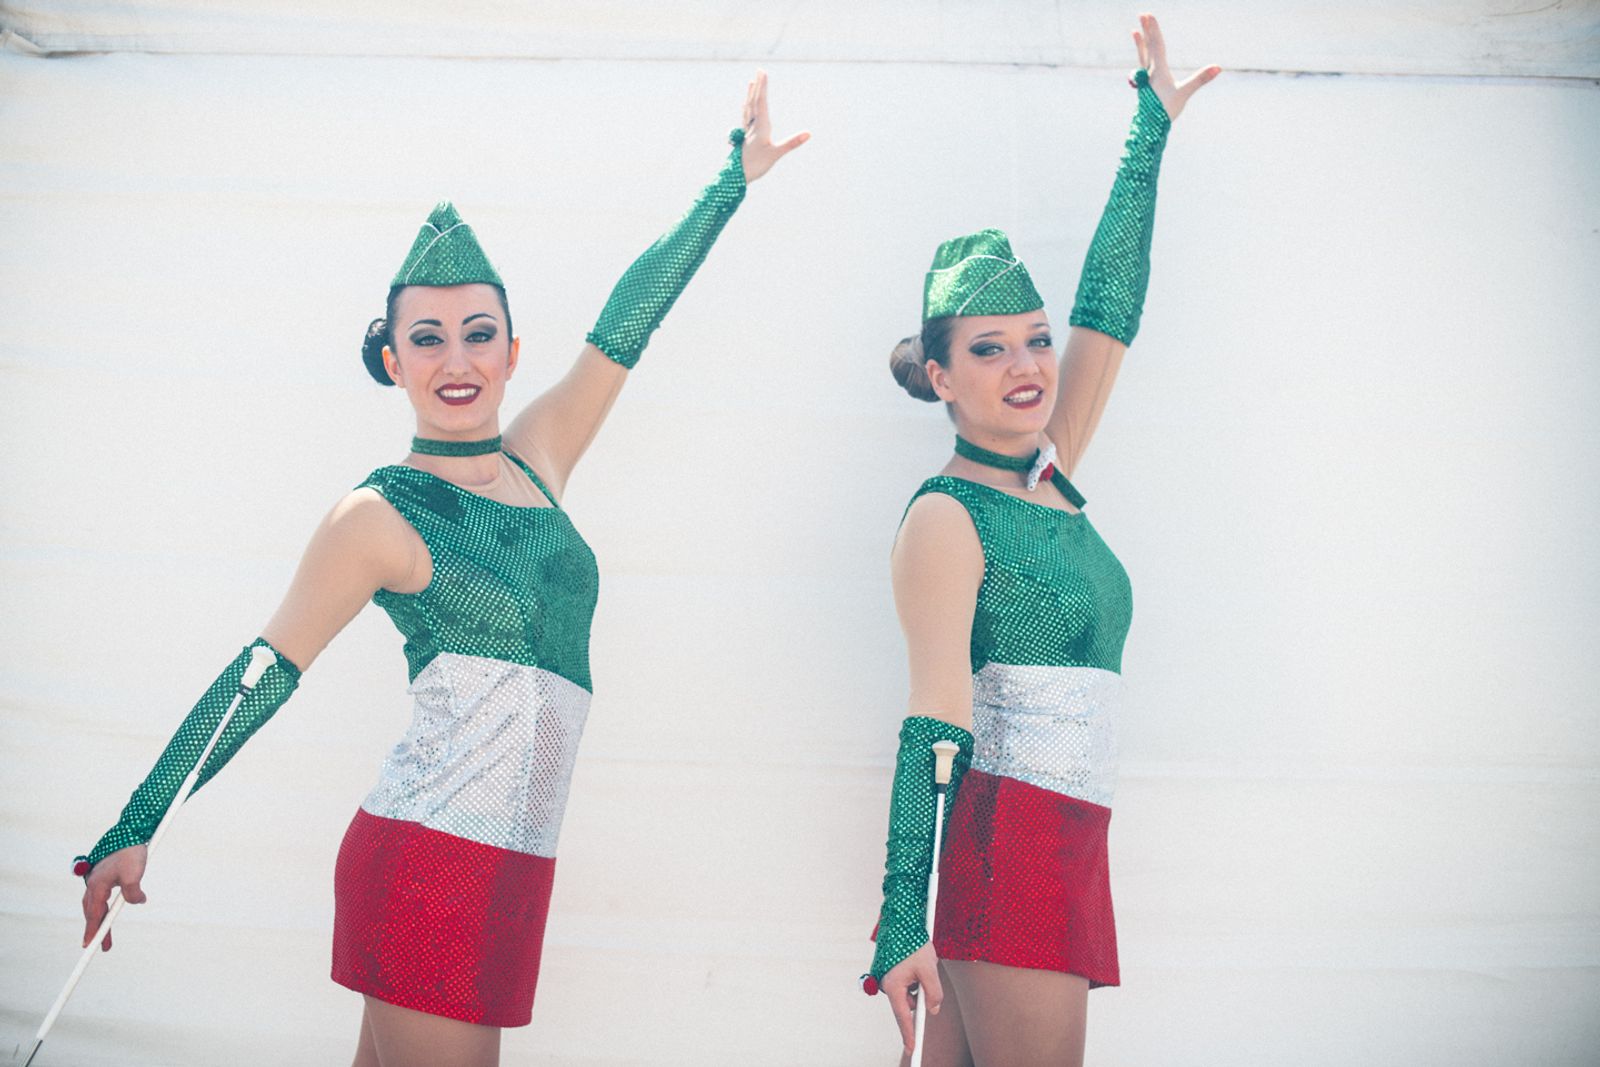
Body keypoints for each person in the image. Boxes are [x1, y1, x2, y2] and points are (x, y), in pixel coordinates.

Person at [72, 72, 807, 1067]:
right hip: (429, 863)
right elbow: (263, 671)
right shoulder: (377, 514)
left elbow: (626, 321)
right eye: (427, 337)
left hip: (513, 864)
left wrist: (733, 180)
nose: (455, 357)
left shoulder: (539, 455)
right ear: (394, 360)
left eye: (477, 334)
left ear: (510, 350)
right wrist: (138, 817)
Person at [861, 16, 1218, 1067]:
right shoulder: (945, 515)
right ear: (939, 375)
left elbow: (1111, 302)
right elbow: (929, 726)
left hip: (1067, 839)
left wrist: (1147, 132)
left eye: (1033, 341)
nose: (1024, 365)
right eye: (988, 349)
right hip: (1004, 846)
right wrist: (896, 920)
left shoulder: (1049, 468)